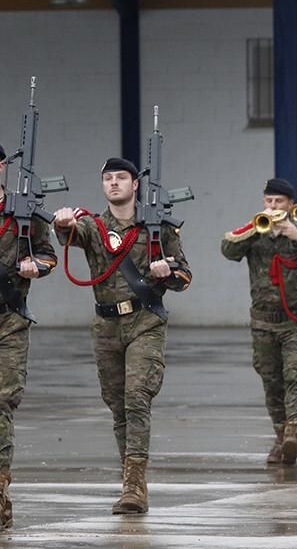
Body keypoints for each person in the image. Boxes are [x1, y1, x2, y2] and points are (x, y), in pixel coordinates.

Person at [55, 158, 191, 514]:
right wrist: (62, 223)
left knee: (136, 398)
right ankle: (128, 477)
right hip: (106, 325)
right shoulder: (95, 226)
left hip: (145, 321)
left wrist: (166, 271)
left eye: (121, 178)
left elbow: (185, 277)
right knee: (117, 405)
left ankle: (134, 486)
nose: (114, 183)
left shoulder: (159, 228)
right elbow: (72, 235)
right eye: (108, 179)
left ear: (135, 184)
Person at [221, 178, 297, 465]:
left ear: (291, 204)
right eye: (269, 201)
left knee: (296, 374)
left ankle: (293, 431)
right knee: (270, 378)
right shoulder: (256, 228)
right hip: (264, 321)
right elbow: (228, 249)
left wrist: (296, 236)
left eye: (279, 202)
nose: (273, 207)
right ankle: (280, 435)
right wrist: (253, 230)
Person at [0, 143, 57, 528]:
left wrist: (36, 266)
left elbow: (48, 253)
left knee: (1, 403)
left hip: (10, 318)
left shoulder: (24, 214)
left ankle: (0, 492)